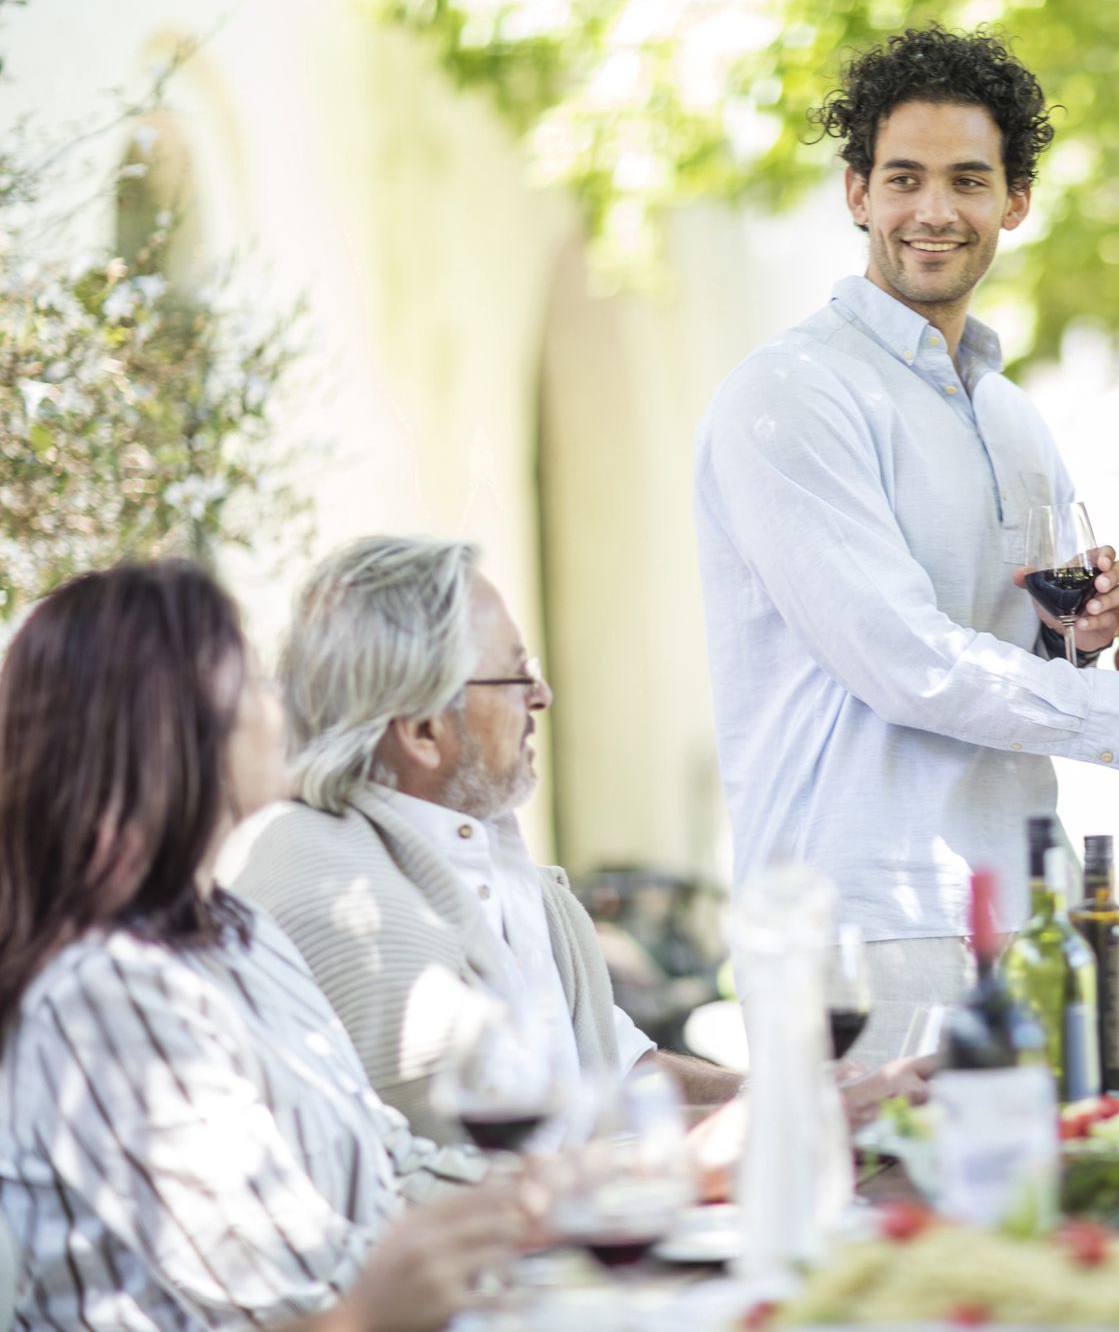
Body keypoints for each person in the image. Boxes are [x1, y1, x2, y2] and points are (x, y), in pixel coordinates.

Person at [692, 28, 1119, 1063]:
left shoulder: (1012, 415)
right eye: (904, 178)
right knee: (892, 1222)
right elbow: (906, 660)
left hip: (1030, 910)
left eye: (969, 180)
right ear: (856, 194)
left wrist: (1077, 632)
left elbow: (1017, 649)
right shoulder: (792, 396)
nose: (935, 210)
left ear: (1013, 202)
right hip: (862, 924)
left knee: (1057, 1216)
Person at [0, 560, 523, 1331]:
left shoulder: (239, 931)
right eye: (249, 685)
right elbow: (295, 1301)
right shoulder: (105, 991)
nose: (278, 709)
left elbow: (390, 1167)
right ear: (167, 727)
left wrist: (576, 1195)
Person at [223, 536, 752, 1141]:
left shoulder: (491, 856)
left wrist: (773, 1096)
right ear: (424, 731)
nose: (541, 696)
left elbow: (618, 1070)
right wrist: (770, 1126)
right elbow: (512, 1147)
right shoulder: (342, 894)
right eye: (516, 673)